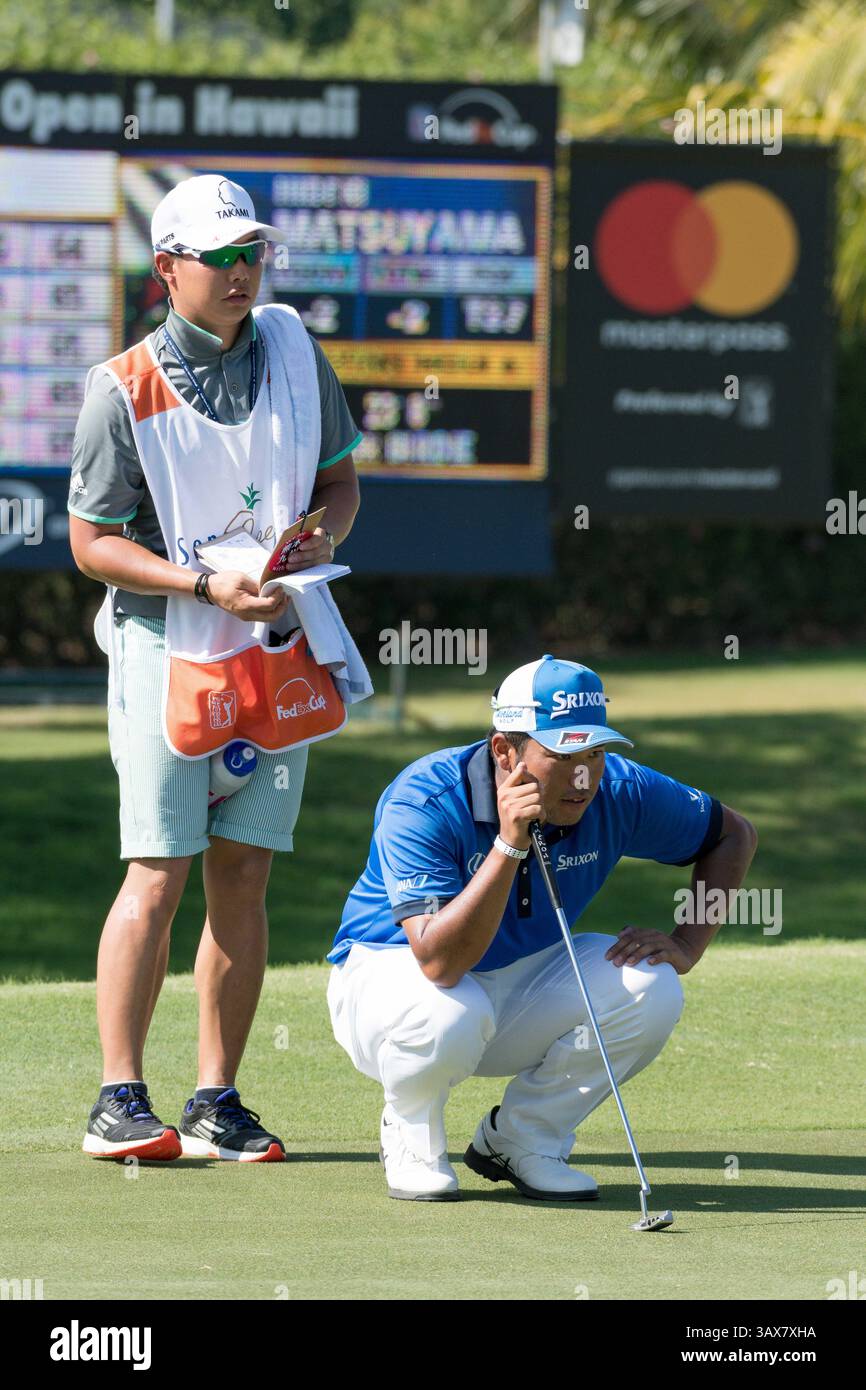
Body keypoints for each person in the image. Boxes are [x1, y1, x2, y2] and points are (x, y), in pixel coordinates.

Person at [69, 174, 366, 1163]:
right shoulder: (121, 389)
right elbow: (92, 541)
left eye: (253, 254)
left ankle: (215, 1100)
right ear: (167, 270)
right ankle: (118, 1097)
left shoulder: (290, 345)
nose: (243, 272)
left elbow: (337, 480)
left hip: (275, 635)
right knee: (159, 866)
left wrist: (298, 553)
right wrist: (204, 585)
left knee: (245, 869)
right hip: (166, 639)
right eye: (220, 256)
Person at [326, 655, 757, 1200]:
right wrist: (509, 843)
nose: (585, 776)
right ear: (505, 750)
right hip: (393, 983)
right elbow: (439, 961)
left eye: (595, 752)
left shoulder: (618, 790)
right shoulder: (426, 798)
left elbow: (733, 835)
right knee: (451, 1009)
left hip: (516, 982)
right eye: (563, 754)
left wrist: (687, 942)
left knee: (652, 985)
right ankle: (413, 1134)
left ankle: (525, 1139)